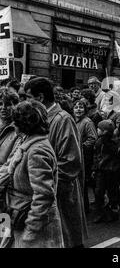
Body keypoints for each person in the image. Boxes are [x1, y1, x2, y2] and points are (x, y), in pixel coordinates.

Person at [24, 77, 87, 248]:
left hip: (61, 193)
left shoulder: (62, 119)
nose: (26, 102)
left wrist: (43, 177)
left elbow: (71, 162)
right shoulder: (40, 118)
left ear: (40, 97)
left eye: (28, 97)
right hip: (48, 192)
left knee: (68, 239)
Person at [0, 100, 63, 248]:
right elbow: (8, 168)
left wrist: (31, 230)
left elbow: (43, 196)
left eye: (15, 121)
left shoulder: (37, 151)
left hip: (33, 227)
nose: (13, 124)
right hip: (20, 216)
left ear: (24, 124)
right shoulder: (27, 142)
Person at [92, 120, 120, 223]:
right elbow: (96, 156)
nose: (97, 130)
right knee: (99, 192)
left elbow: (116, 154)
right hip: (101, 170)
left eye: (99, 129)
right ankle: (100, 212)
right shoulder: (99, 141)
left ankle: (113, 212)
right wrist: (95, 169)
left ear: (104, 131)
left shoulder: (113, 142)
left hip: (111, 171)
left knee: (112, 192)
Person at [73, 99, 97, 214]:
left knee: (84, 183)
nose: (78, 109)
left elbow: (92, 138)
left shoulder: (87, 122)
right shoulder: (73, 121)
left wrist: (81, 146)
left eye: (81, 107)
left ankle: (85, 208)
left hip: (85, 157)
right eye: (76, 107)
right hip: (75, 156)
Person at [0, 89, 19, 166]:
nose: (3, 107)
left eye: (8, 104)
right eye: (0, 103)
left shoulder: (18, 131)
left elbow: (10, 165)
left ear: (15, 106)